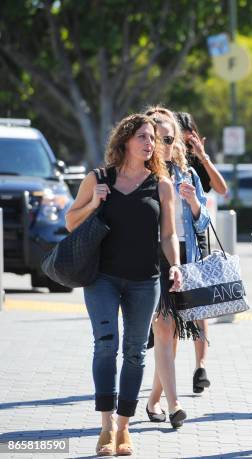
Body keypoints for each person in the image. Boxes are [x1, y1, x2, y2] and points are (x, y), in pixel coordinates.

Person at [66, 113, 182, 456]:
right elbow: (72, 221)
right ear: (125, 141)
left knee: (134, 353)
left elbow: (169, 233)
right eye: (143, 137)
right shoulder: (98, 178)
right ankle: (105, 428)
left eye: (153, 139)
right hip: (102, 277)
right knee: (105, 345)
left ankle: (124, 427)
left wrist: (175, 265)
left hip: (146, 280)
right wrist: (93, 201)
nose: (150, 143)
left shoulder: (161, 185)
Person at [144, 106, 211, 428]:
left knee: (169, 337)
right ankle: (174, 405)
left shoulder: (188, 175)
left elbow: (204, 223)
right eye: (156, 137)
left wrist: (194, 204)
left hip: (185, 258)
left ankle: (154, 400)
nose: (163, 144)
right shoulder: (140, 176)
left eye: (169, 138)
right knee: (164, 329)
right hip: (149, 259)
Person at [175, 111, 228, 393]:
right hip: (168, 243)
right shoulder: (160, 164)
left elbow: (223, 189)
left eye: (187, 142)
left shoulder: (196, 167)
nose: (182, 149)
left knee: (199, 307)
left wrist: (203, 155)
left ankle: (200, 367)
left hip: (197, 242)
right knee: (166, 311)